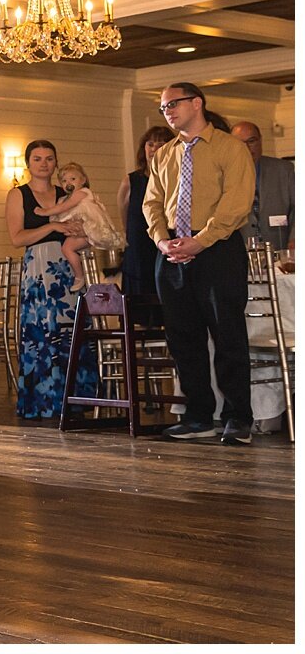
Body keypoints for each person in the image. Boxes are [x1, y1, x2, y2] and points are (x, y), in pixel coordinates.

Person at [144, 83, 256, 445]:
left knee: (228, 336)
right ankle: (198, 416)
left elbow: (235, 203)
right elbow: (152, 203)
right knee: (183, 339)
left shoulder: (230, 148)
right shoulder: (163, 155)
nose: (168, 112)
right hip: (172, 251)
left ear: (196, 103)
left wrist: (200, 240)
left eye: (173, 104)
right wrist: (163, 240)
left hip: (218, 248)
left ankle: (238, 417)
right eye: (163, 108)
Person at [4, 139, 96, 420]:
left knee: (72, 330)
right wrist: (52, 226)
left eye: (49, 158)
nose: (44, 163)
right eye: (37, 158)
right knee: (43, 332)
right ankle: (44, 399)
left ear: (56, 162)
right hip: (39, 269)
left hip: (68, 266)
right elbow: (17, 238)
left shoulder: (66, 192)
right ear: (28, 162)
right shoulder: (18, 195)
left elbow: (88, 221)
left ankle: (77, 398)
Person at [34, 161, 124, 287]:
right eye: (64, 181)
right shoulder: (65, 199)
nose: (68, 183)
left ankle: (79, 275)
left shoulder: (83, 193)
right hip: (81, 231)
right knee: (68, 248)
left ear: (82, 180)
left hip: (91, 229)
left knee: (67, 248)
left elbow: (63, 208)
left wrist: (44, 212)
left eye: (73, 179)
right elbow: (60, 213)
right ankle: (82, 275)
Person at [118, 126, 172, 297]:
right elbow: (124, 214)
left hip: (164, 246)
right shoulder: (131, 180)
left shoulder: (174, 180)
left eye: (161, 144)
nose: (154, 149)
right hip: (138, 248)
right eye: (150, 144)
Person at [231, 120, 293, 253]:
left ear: (260, 141)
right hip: (242, 252)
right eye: (240, 143)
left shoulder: (284, 170)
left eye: (251, 141)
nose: (246, 147)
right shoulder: (224, 174)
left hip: (281, 248)